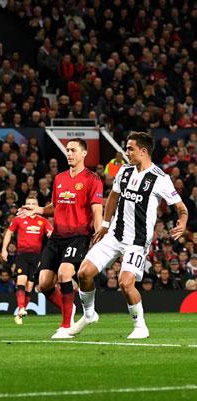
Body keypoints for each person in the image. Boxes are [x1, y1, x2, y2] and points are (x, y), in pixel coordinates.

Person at [73, 132, 188, 339]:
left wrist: (182, 222)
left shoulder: (160, 179)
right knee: (83, 273)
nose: (126, 152)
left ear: (143, 151)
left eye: (130, 149)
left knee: (125, 283)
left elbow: (181, 208)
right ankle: (89, 314)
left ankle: (140, 327)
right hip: (114, 235)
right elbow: (113, 197)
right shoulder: (124, 172)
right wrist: (106, 224)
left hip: (136, 242)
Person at [19, 138, 103, 339]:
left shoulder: (92, 179)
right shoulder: (60, 178)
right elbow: (55, 207)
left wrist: (99, 235)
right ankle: (70, 310)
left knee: (65, 273)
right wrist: (37, 210)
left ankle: (66, 326)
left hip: (78, 236)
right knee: (44, 283)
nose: (69, 154)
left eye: (73, 150)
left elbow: (97, 211)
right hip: (57, 237)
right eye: (67, 150)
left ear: (84, 154)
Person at [2, 196, 53, 325]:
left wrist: (51, 236)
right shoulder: (19, 219)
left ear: (37, 206)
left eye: (33, 203)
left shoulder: (43, 220)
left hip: (37, 257)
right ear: (24, 205)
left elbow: (51, 234)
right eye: (28, 203)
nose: (30, 205)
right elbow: (9, 233)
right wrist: (4, 249)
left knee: (30, 286)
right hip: (22, 255)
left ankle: (20, 314)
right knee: (21, 280)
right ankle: (21, 308)